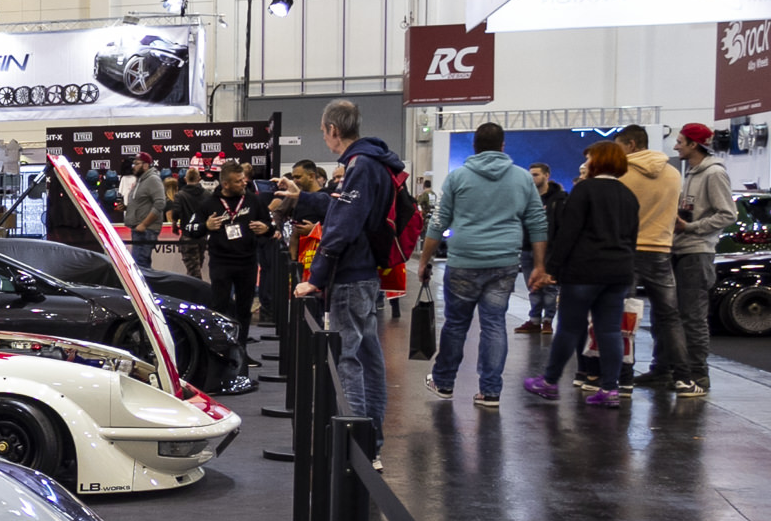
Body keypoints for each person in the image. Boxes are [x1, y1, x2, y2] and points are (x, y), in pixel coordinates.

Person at [273, 100, 406, 463]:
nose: (324, 137)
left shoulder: (360, 165)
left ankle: (355, 451)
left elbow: (343, 226)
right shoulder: (373, 162)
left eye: (323, 131)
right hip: (365, 274)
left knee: (349, 362)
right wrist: (302, 198)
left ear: (333, 129)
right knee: (368, 360)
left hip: (350, 277)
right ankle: (369, 445)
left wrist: (315, 278)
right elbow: (345, 209)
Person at [418, 122, 548, 409]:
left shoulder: (457, 177)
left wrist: (425, 260)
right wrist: (539, 265)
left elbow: (438, 222)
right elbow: (537, 222)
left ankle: (444, 383)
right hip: (504, 262)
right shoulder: (522, 178)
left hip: (463, 262)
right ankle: (490, 392)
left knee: (456, 325)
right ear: (503, 146)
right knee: (494, 325)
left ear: (474, 147)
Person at [525, 140, 638, 406]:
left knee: (570, 328)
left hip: (584, 271)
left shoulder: (584, 190)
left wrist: (551, 269)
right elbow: (632, 238)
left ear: (599, 161)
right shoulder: (628, 195)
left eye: (589, 159)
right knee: (609, 331)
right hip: (619, 272)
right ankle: (610, 390)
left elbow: (568, 233)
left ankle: (550, 382)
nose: (586, 163)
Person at [617, 125, 687, 390]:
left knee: (625, 316)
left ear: (632, 145)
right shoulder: (673, 173)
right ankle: (683, 377)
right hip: (661, 250)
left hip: (628, 251)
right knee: (670, 317)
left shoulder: (621, 173)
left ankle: (624, 378)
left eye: (619, 146)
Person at [671, 122, 736, 399]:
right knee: (676, 316)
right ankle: (675, 371)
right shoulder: (691, 172)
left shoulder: (714, 173)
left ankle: (698, 375)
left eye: (680, 141)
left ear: (694, 144)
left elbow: (728, 214)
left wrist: (691, 227)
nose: (676, 146)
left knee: (693, 317)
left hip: (697, 252)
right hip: (682, 250)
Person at [203, 161, 273, 340]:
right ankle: (219, 345)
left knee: (244, 308)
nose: (244, 183)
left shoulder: (254, 200)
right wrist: (206, 226)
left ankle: (241, 347)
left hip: (247, 262)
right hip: (221, 262)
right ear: (225, 184)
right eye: (238, 181)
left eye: (244, 179)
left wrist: (266, 228)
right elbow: (190, 228)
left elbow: (270, 226)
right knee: (219, 306)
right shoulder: (210, 202)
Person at [515, 163, 566, 333]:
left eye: (536, 175)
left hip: (549, 248)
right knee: (533, 286)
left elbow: (561, 224)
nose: (532, 178)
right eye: (530, 175)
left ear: (546, 176)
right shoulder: (526, 198)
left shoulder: (558, 199)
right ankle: (534, 319)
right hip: (527, 246)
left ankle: (548, 320)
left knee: (550, 286)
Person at [123, 153, 166, 270]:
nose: (133, 167)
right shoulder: (141, 180)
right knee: (140, 265)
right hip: (139, 229)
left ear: (146, 165)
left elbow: (160, 203)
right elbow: (141, 203)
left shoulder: (153, 179)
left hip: (146, 230)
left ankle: (147, 283)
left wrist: (144, 224)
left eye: (137, 164)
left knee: (141, 265)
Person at [172, 169, 215, 279]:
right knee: (197, 267)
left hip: (188, 235)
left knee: (193, 271)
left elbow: (176, 212)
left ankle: (195, 289)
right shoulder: (207, 194)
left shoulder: (180, 195)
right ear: (199, 179)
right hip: (202, 235)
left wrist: (174, 225)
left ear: (185, 179)